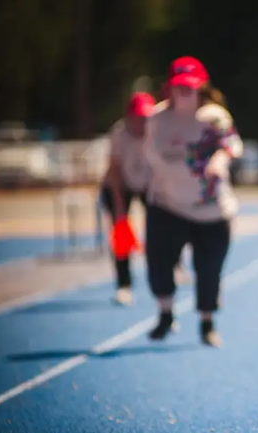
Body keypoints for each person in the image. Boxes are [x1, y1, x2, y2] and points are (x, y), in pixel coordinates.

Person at [143, 56, 243, 347]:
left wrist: (220, 160)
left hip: (211, 209)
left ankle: (207, 323)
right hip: (167, 205)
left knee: (209, 268)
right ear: (168, 88)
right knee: (159, 265)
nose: (184, 92)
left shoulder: (215, 116)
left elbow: (232, 144)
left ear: (201, 87)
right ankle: (165, 315)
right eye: (179, 86)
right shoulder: (157, 119)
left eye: (191, 86)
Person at [100, 92, 156, 306]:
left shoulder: (157, 131)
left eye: (146, 118)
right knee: (121, 236)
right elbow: (114, 171)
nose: (143, 122)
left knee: (160, 226)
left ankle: (165, 272)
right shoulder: (120, 134)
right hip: (119, 185)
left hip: (147, 184)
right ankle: (124, 284)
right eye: (139, 118)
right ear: (130, 117)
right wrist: (120, 207)